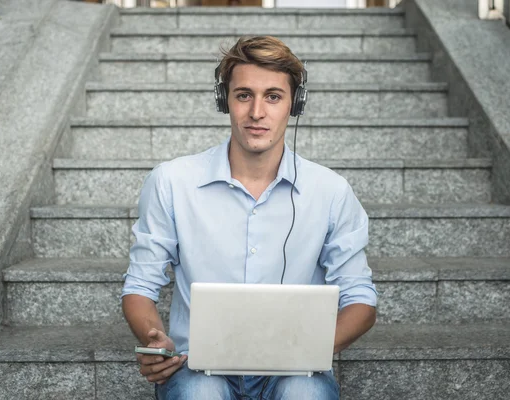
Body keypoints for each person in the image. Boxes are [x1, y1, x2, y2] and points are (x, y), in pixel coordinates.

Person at [121, 35, 377, 400]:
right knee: (199, 393)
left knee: (304, 394)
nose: (257, 112)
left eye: (273, 96)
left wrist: (308, 351)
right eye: (244, 95)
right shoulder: (171, 181)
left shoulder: (331, 191)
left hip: (296, 370)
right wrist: (154, 342)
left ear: (295, 104)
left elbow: (361, 300)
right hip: (197, 366)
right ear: (224, 100)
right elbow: (139, 287)